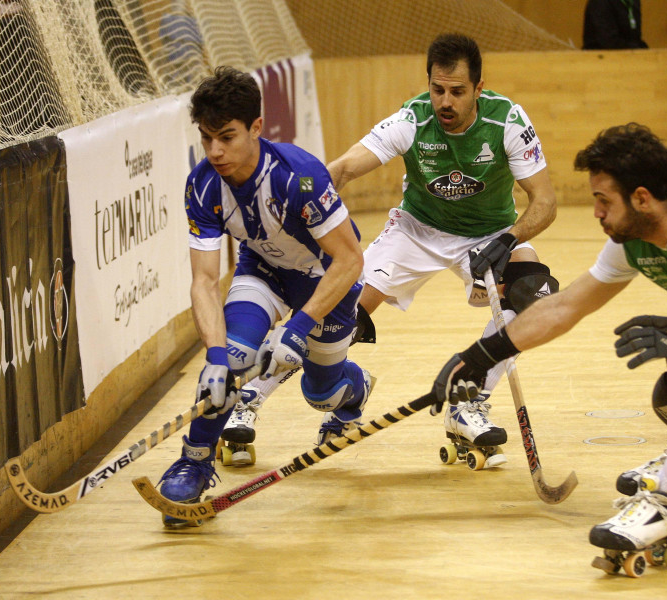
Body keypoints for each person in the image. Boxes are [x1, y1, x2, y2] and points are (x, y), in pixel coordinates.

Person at [432, 122, 667, 563]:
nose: (596, 213)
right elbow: (566, 307)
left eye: (603, 201)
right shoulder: (634, 242)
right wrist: (479, 356)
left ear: (641, 198)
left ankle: (662, 505)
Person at [222, 33, 558, 470]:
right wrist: (298, 205)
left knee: (535, 298)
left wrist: (508, 240)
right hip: (415, 231)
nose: (445, 102)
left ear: (479, 88)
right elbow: (342, 168)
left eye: (458, 91)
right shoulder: (414, 119)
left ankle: (468, 400)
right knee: (337, 313)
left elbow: (545, 201)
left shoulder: (507, 120)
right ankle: (250, 398)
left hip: (489, 235)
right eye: (438, 90)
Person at [157, 66, 373, 527]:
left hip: (327, 278)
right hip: (265, 271)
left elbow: (350, 260)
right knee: (234, 357)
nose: (215, 151)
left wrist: (297, 328)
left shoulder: (301, 177)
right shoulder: (202, 185)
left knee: (322, 393)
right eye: (206, 137)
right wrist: (215, 355)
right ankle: (194, 462)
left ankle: (355, 389)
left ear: (257, 128)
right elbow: (203, 282)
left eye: (227, 137)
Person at [582, 0, 648, 50]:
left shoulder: (632, 2)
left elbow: (635, 38)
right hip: (600, 61)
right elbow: (608, 42)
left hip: (631, 58)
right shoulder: (599, 2)